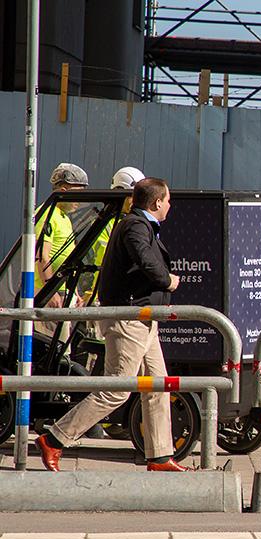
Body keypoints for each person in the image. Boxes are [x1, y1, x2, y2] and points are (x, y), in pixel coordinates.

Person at [36, 177, 187, 472]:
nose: (169, 206)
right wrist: (168, 280)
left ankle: (159, 456)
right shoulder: (135, 226)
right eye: (167, 200)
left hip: (145, 319)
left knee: (158, 386)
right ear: (157, 202)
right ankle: (55, 438)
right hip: (129, 319)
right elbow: (145, 260)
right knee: (117, 388)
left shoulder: (142, 226)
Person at [80, 166, 145, 303]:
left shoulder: (135, 222)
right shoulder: (105, 223)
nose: (135, 201)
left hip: (121, 293)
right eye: (132, 196)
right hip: (104, 293)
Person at [36, 163, 88, 310]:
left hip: (62, 290)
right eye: (78, 194)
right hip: (47, 291)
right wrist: (49, 292)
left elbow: (68, 259)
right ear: (63, 191)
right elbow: (42, 256)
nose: (81, 200)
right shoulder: (47, 214)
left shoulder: (64, 218)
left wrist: (75, 291)